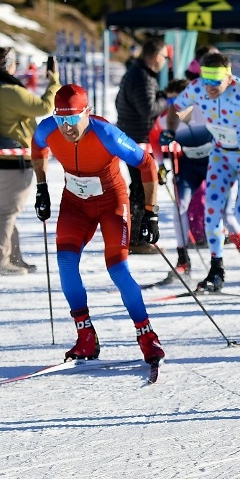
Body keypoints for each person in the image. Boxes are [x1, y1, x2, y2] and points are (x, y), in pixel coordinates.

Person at [31, 85, 164, 367]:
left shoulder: (106, 134)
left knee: (118, 269)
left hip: (110, 202)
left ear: (87, 113)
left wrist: (151, 212)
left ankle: (146, 335)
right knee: (65, 263)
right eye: (60, 119)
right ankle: (86, 336)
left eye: (72, 119)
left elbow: (147, 164)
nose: (66, 127)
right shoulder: (47, 129)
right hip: (75, 204)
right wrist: (41, 187)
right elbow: (37, 146)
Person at [164, 52, 240, 302]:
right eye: (206, 81)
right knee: (212, 212)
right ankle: (216, 270)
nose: (210, 88)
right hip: (220, 154)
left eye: (215, 82)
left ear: (228, 78)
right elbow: (175, 108)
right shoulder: (196, 88)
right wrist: (170, 131)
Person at [0, 47, 60, 274]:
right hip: (10, 162)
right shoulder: (9, 91)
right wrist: (54, 81)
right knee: (6, 213)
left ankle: (13, 257)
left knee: (3, 211)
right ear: (8, 65)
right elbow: (44, 107)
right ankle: (0, 262)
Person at [116, 36, 168, 250]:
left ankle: (135, 236)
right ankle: (137, 238)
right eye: (165, 56)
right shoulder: (142, 77)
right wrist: (167, 99)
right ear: (156, 56)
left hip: (133, 136)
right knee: (141, 188)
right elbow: (148, 109)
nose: (166, 61)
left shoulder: (137, 72)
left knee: (139, 187)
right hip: (138, 139)